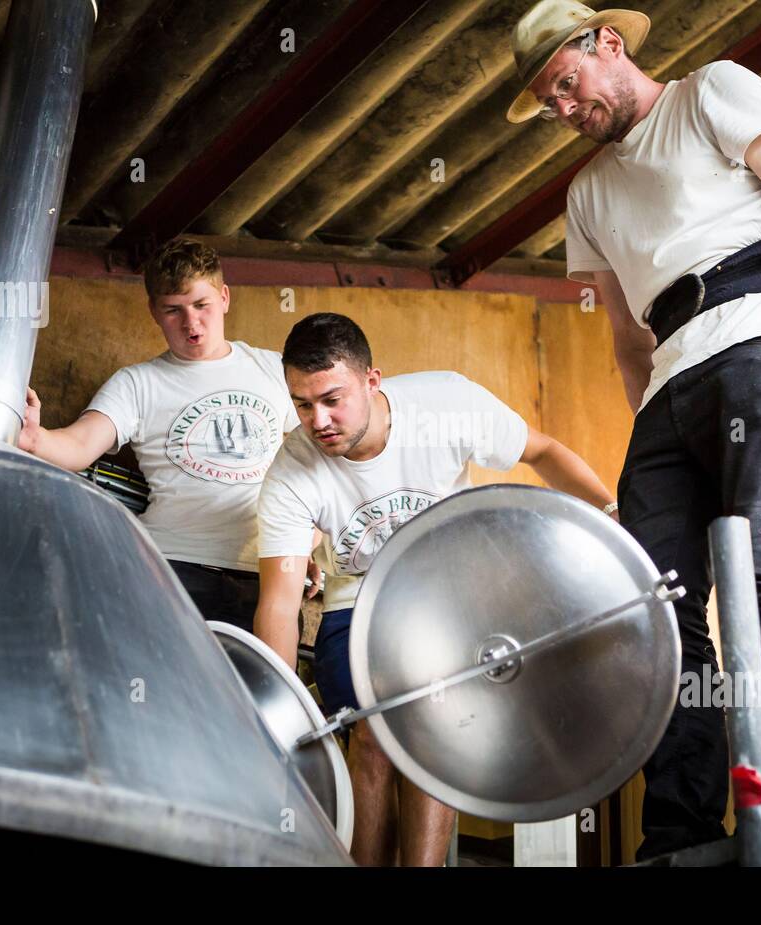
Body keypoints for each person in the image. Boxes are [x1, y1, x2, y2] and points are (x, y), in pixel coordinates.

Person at [507, 0, 761, 858]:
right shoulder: (584, 194)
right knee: (655, 610)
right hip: (672, 381)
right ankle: (678, 835)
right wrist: (656, 450)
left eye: (566, 82)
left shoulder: (712, 93)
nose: (561, 108)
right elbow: (627, 339)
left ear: (608, 44)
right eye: (547, 101)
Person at [254, 312, 617, 866]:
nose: (318, 420)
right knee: (377, 730)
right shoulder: (291, 469)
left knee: (428, 720)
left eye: (332, 399)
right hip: (359, 607)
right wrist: (277, 713)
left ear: (372, 380)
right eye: (303, 405)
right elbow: (279, 602)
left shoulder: (446, 403)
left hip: (453, 602)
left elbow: (542, 453)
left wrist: (611, 513)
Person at [18, 237, 316, 631]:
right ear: (153, 311)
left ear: (225, 297)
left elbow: (322, 464)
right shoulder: (137, 383)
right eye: (173, 310)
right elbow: (80, 444)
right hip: (168, 566)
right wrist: (36, 439)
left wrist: (306, 543)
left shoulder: (275, 370)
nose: (191, 324)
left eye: (201, 305)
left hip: (263, 570)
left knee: (255, 690)